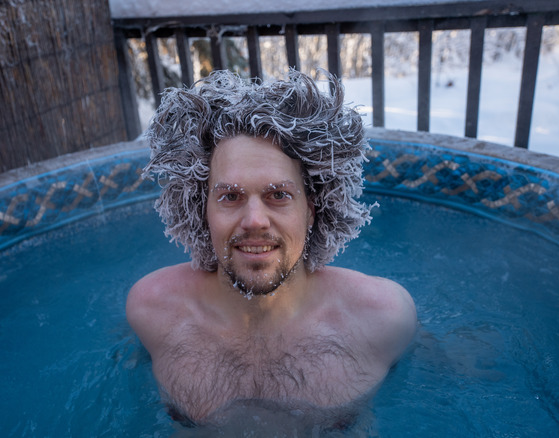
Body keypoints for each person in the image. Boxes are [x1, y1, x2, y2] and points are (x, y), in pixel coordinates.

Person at [127, 69, 417, 430]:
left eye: (278, 195)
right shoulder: (151, 311)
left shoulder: (384, 318)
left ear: (312, 209)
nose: (254, 220)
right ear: (202, 211)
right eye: (230, 196)